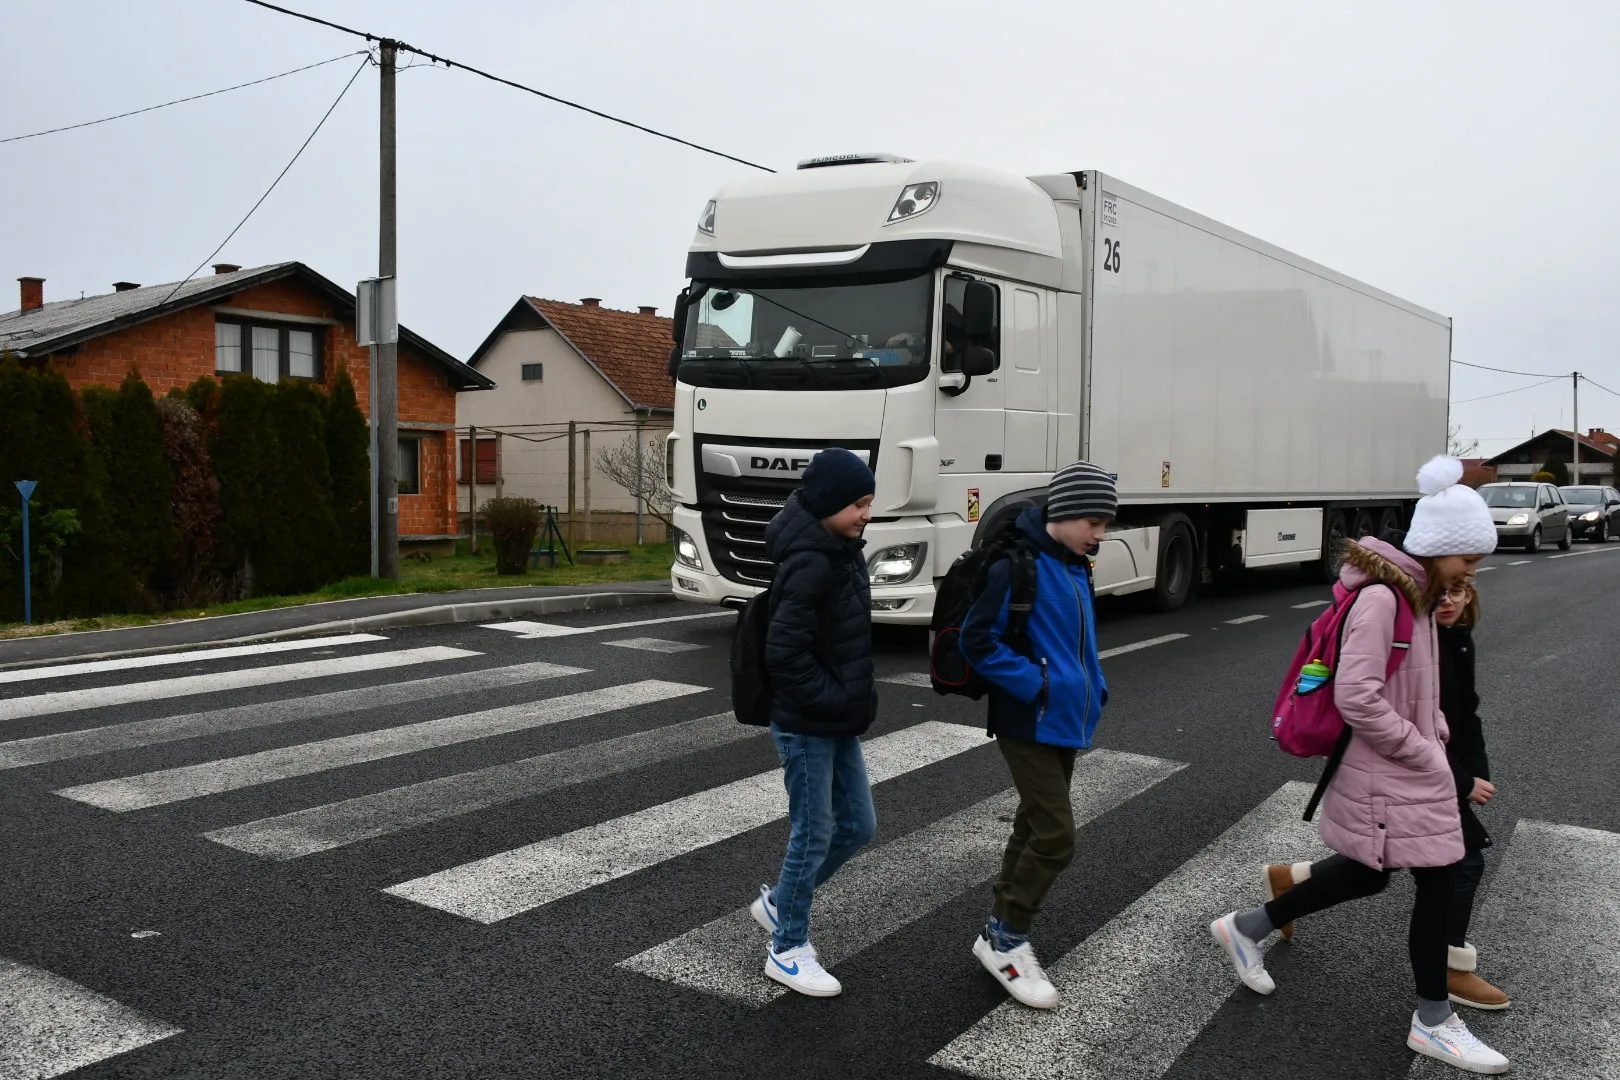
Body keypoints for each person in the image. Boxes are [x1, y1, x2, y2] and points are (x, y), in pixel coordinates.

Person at [1211, 456, 1510, 1074]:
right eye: (1467, 559)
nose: (1473, 573)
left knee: (1375, 873)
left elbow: (1416, 689)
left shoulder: (1419, 598)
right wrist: (1426, 749)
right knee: (1440, 876)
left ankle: (1247, 926)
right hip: (1390, 768)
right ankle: (1433, 1020)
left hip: (1400, 765)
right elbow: (1357, 696)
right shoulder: (1384, 600)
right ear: (1438, 550)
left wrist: (1438, 729)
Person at [1263, 575, 1511, 1012]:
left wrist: (1475, 773)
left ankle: (1287, 886)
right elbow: (1379, 708)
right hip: (1410, 765)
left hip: (1437, 766)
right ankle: (1447, 974)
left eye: (1462, 588)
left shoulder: (1455, 638)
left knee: (1374, 867)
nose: (1450, 600)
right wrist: (1457, 780)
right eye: (1443, 590)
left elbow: (1465, 714)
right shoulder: (1412, 634)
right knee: (1457, 864)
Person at [958, 460, 1116, 1009]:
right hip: (1028, 717)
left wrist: (1094, 686)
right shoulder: (1016, 565)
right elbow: (977, 642)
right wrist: (1037, 684)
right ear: (1066, 512)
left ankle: (996, 929)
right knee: (1056, 835)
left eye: (1105, 523)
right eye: (1094, 522)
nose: (1100, 534)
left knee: (1032, 825)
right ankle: (1007, 937)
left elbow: (1080, 641)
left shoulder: (1076, 565)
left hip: (1066, 716)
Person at [748, 447, 879, 998]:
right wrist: (832, 699)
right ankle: (788, 948)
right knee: (815, 830)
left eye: (869, 502)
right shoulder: (811, 560)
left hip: (833, 717)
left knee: (858, 825)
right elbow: (785, 653)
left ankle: (779, 902)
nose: (865, 514)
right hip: (807, 720)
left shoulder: (839, 549)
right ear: (827, 502)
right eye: (857, 503)